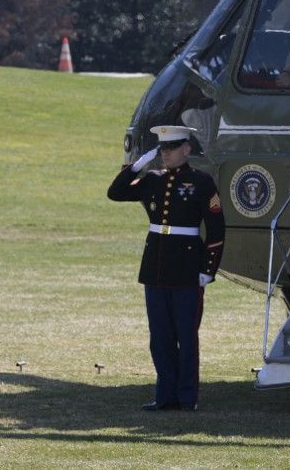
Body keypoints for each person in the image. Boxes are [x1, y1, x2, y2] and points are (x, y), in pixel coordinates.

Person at [107, 125, 225, 412]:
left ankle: (187, 397)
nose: (166, 154)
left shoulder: (201, 182)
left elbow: (216, 228)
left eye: (171, 149)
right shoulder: (153, 179)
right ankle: (165, 396)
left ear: (186, 148)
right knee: (160, 337)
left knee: (186, 335)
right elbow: (115, 192)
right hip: (156, 267)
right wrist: (136, 166)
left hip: (187, 268)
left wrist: (208, 269)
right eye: (162, 149)